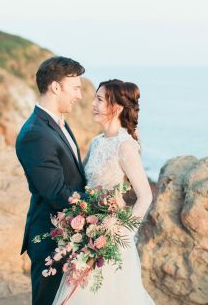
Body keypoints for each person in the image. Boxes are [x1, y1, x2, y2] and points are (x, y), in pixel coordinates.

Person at [52, 79, 155, 304]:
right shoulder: (96, 142)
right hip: (88, 232)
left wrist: (124, 232)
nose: (94, 104)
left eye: (100, 99)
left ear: (116, 107)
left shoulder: (125, 146)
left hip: (112, 237)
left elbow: (145, 195)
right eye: (95, 98)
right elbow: (84, 186)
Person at [15, 56, 88, 305]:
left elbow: (74, 177)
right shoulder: (35, 133)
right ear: (56, 87)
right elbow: (56, 192)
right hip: (51, 238)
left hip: (71, 232)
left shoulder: (59, 124)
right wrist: (99, 209)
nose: (79, 95)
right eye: (76, 87)